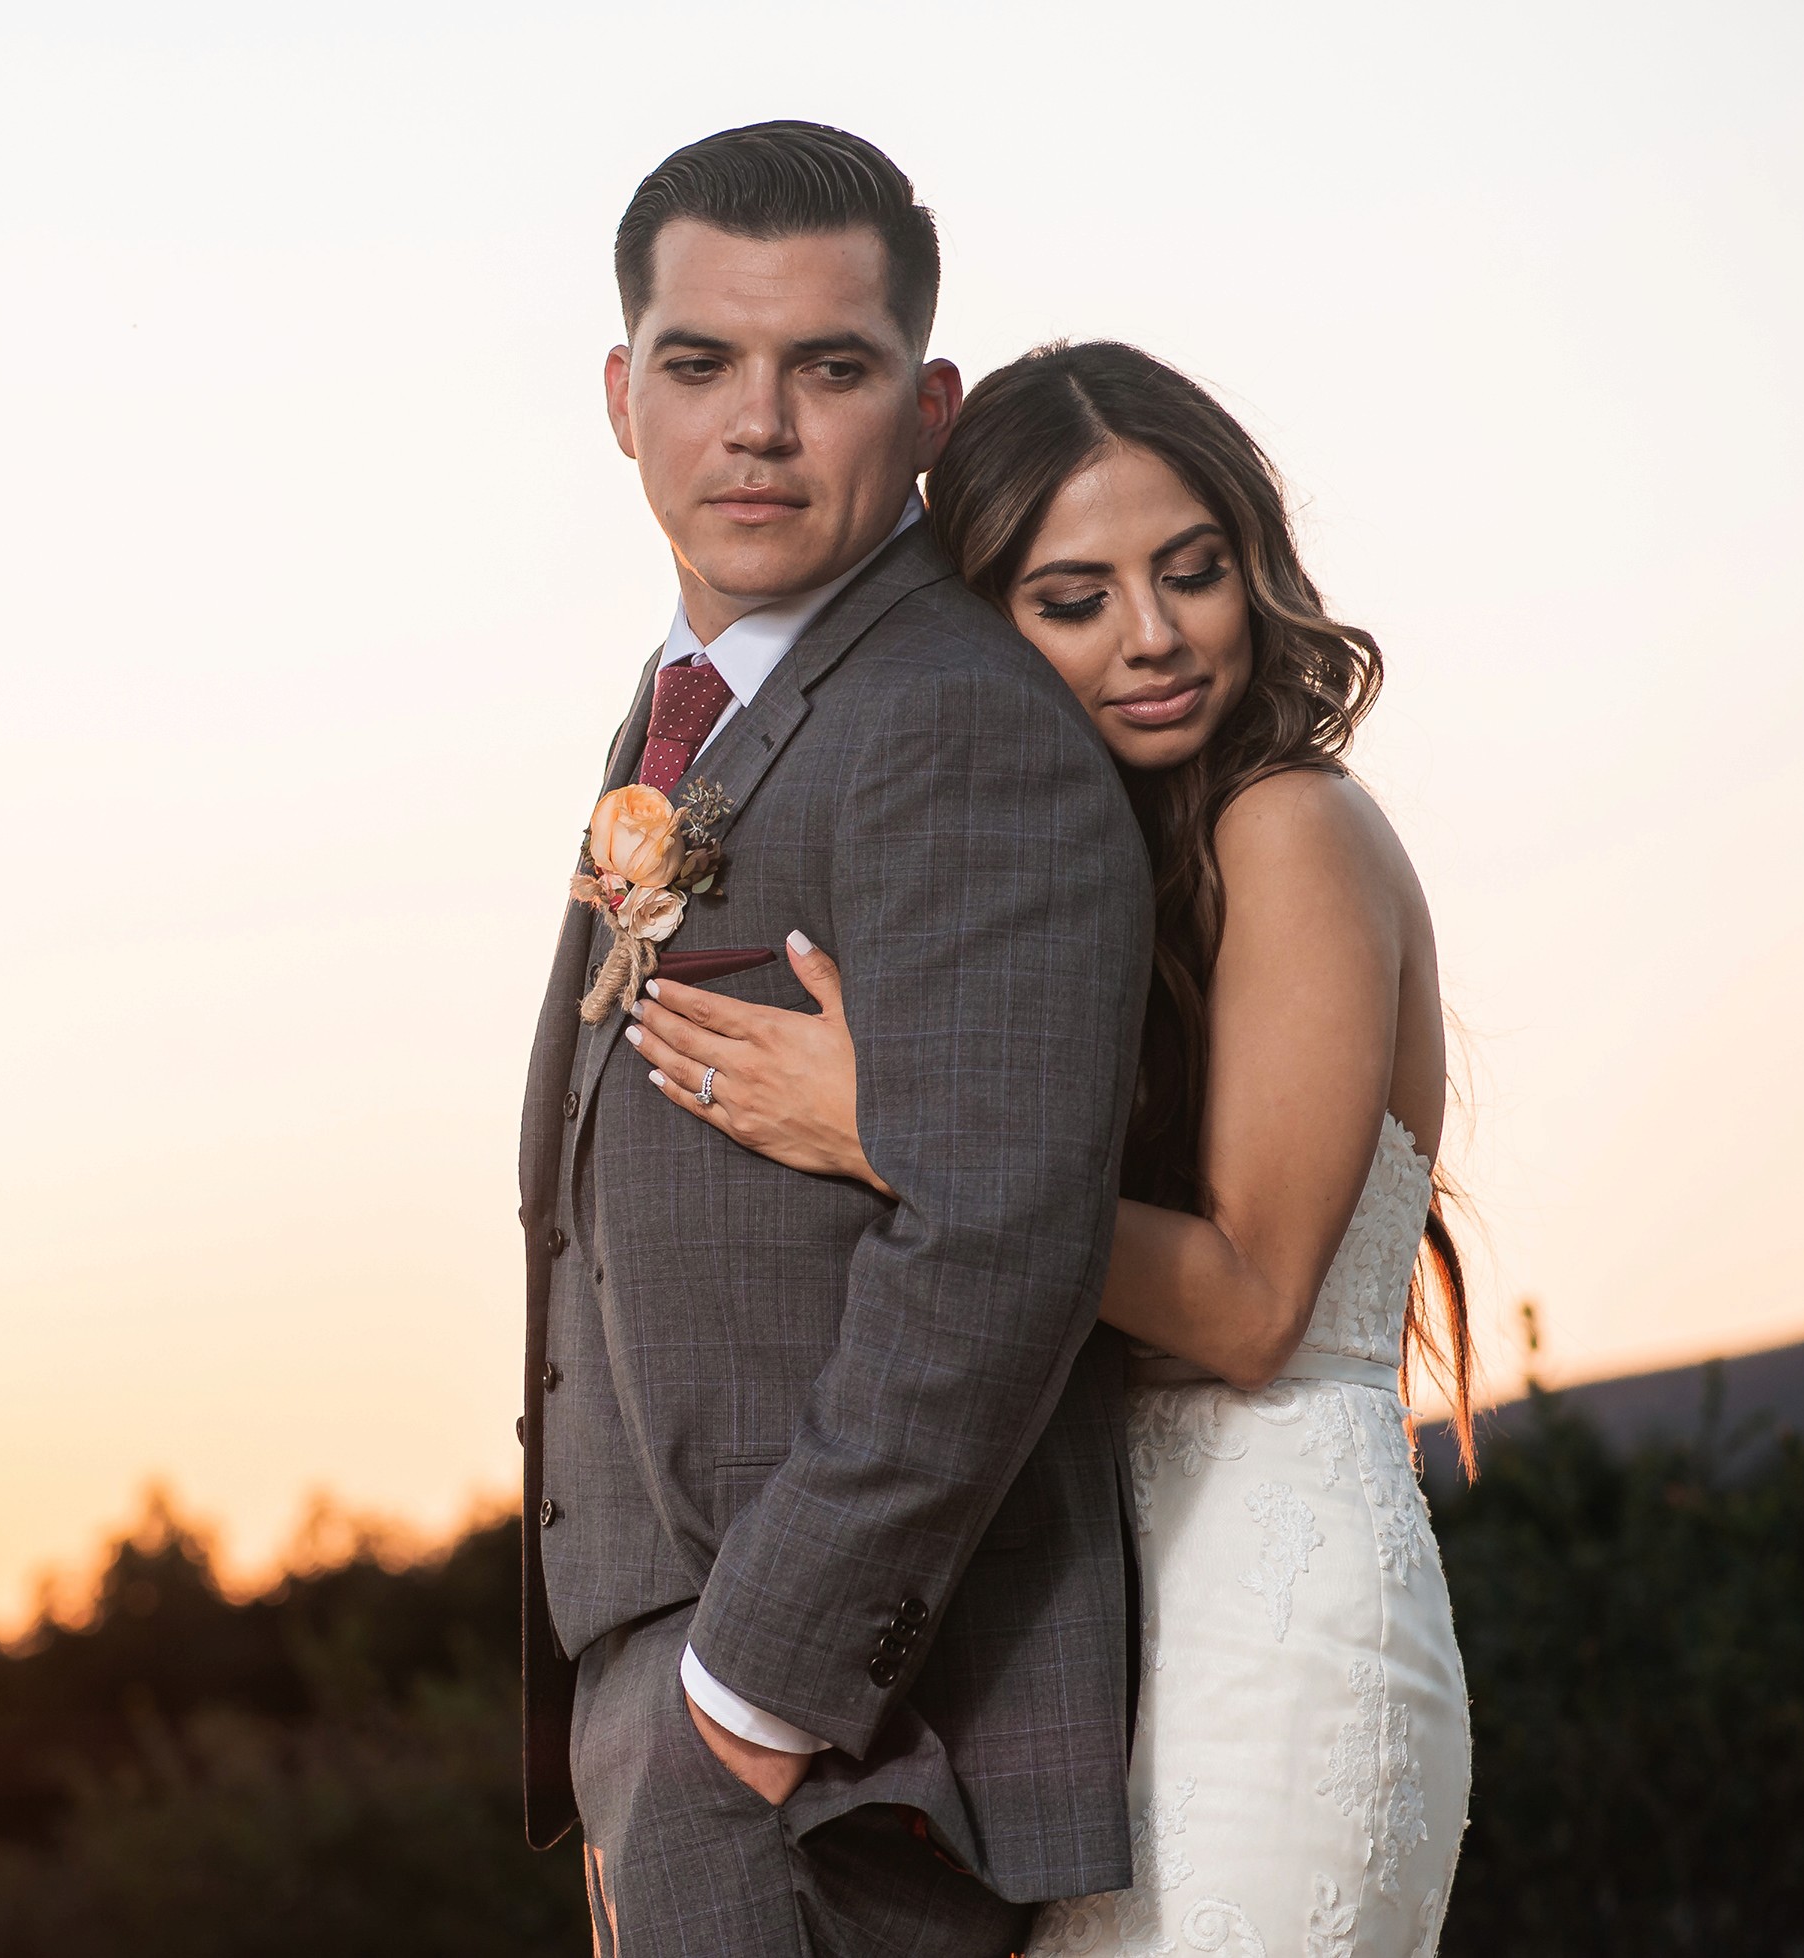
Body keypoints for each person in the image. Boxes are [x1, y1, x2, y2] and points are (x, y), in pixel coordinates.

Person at [627, 340, 1474, 1953]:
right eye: (1071, 600)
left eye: (1190, 572)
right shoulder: (1101, 878)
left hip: (1272, 1613)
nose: (1151, 638)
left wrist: (898, 1134)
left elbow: (1244, 1300)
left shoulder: (1285, 822)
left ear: (1255, 567)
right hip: (1102, 1630)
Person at [517, 124, 1152, 1954]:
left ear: (931, 403)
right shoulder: (684, 702)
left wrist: (753, 1696)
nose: (759, 425)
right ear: (622, 393)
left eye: (833, 367)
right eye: (703, 364)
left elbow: (998, 1237)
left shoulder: (956, 722)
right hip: (677, 1700)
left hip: (849, 1744)